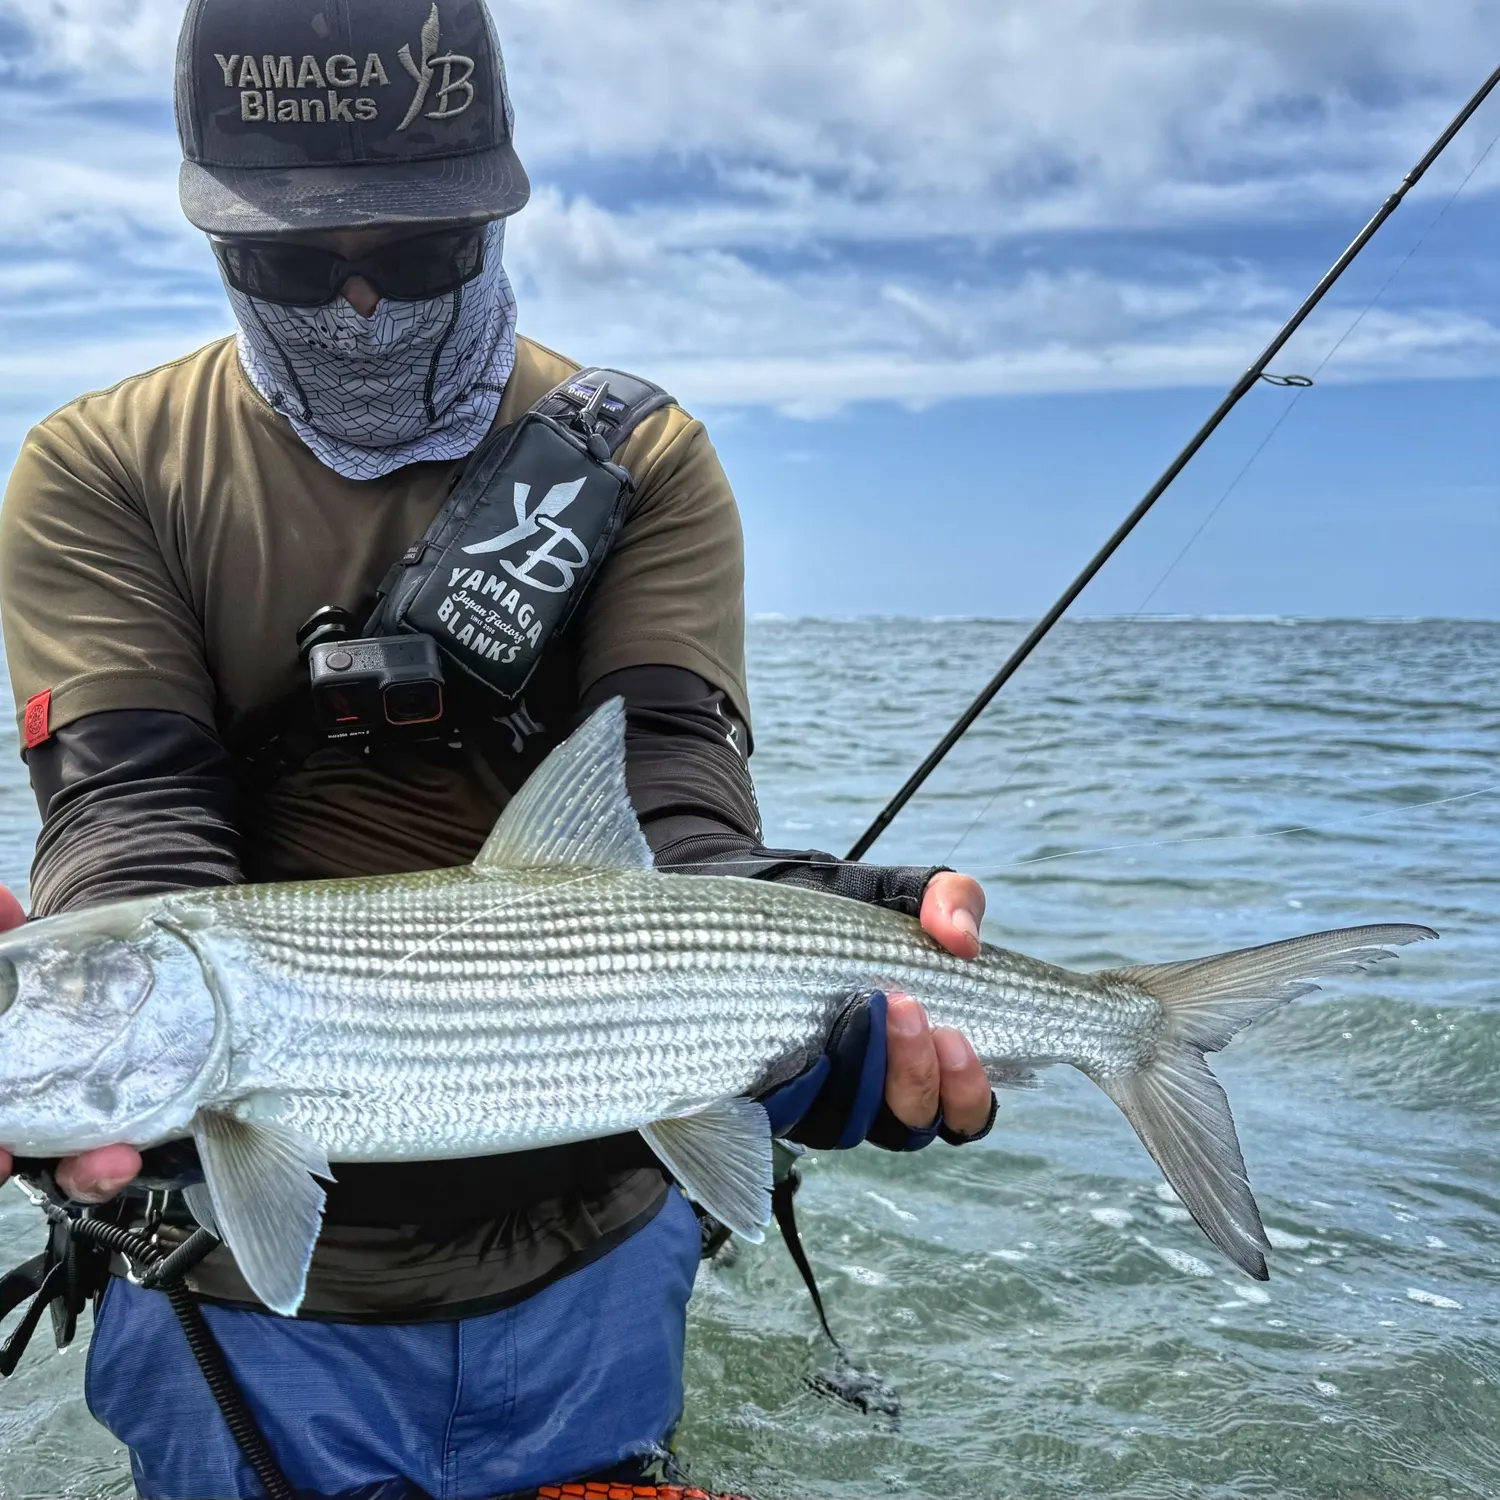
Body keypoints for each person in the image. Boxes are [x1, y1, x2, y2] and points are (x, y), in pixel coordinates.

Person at [0, 1, 997, 1495]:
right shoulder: (101, 469)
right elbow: (133, 823)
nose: (353, 309)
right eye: (285, 261)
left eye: (412, 258)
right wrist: (57, 1049)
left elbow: (671, 820)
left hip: (593, 1253)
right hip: (233, 1285)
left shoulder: (635, 456)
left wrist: (833, 968)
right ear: (212, 240)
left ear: (499, 207)